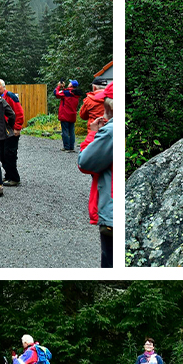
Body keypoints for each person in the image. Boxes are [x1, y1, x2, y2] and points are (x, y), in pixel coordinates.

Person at [77, 88, 113, 267]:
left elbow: (85, 162)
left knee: (109, 259)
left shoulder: (111, 131)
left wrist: (93, 134)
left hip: (111, 210)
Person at [0, 79, 25, 186]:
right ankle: (8, 175)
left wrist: (17, 128)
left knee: (10, 154)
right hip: (1, 131)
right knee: (2, 155)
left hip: (12, 130)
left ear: (3, 86)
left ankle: (15, 178)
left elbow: (19, 112)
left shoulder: (11, 96)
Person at [54, 79, 80, 152]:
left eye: (70, 82)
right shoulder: (76, 93)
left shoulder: (66, 92)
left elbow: (56, 94)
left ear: (71, 85)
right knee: (71, 131)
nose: (68, 83)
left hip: (65, 114)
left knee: (65, 131)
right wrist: (63, 88)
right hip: (72, 114)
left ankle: (66, 147)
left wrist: (58, 86)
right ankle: (71, 147)